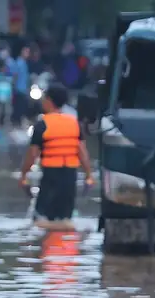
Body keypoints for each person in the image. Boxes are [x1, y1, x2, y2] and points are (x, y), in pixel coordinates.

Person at [20, 84, 96, 230]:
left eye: (44, 99)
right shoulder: (74, 123)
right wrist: (89, 175)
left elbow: (32, 155)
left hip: (51, 176)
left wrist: (24, 175)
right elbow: (82, 153)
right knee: (65, 220)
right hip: (70, 177)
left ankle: (45, 248)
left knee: (40, 220)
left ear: (49, 101)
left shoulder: (42, 125)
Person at [12, 45, 32, 125]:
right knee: (18, 108)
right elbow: (15, 76)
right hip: (19, 89)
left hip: (23, 89)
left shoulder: (24, 63)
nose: (27, 54)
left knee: (22, 107)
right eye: (26, 52)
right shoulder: (19, 62)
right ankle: (16, 123)